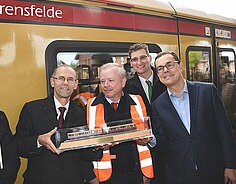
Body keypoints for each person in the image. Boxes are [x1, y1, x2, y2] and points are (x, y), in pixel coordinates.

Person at [151, 51, 236, 184]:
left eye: (170, 65)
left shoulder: (207, 91)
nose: (166, 71)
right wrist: (151, 140)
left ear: (181, 66)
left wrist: (231, 165)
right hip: (181, 175)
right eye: (160, 68)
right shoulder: (157, 105)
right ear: (158, 74)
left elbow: (224, 129)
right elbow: (164, 143)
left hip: (214, 170)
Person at [14, 64, 98, 184]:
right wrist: (38, 141)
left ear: (75, 84)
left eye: (70, 79)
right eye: (61, 78)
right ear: (52, 82)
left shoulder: (83, 114)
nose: (65, 83)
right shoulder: (32, 109)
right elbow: (17, 145)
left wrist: (98, 145)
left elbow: (84, 152)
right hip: (39, 179)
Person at [86, 63, 153, 184]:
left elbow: (147, 133)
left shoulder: (138, 101)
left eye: (110, 80)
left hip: (137, 175)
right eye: (102, 81)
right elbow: (83, 146)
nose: (105, 85)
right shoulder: (90, 106)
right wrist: (91, 177)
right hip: (106, 178)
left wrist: (146, 175)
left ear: (123, 82)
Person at [124, 43, 166, 183]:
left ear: (150, 57)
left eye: (143, 57)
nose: (139, 62)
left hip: (169, 143)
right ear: (130, 62)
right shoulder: (127, 88)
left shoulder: (165, 79)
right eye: (135, 59)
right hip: (143, 149)